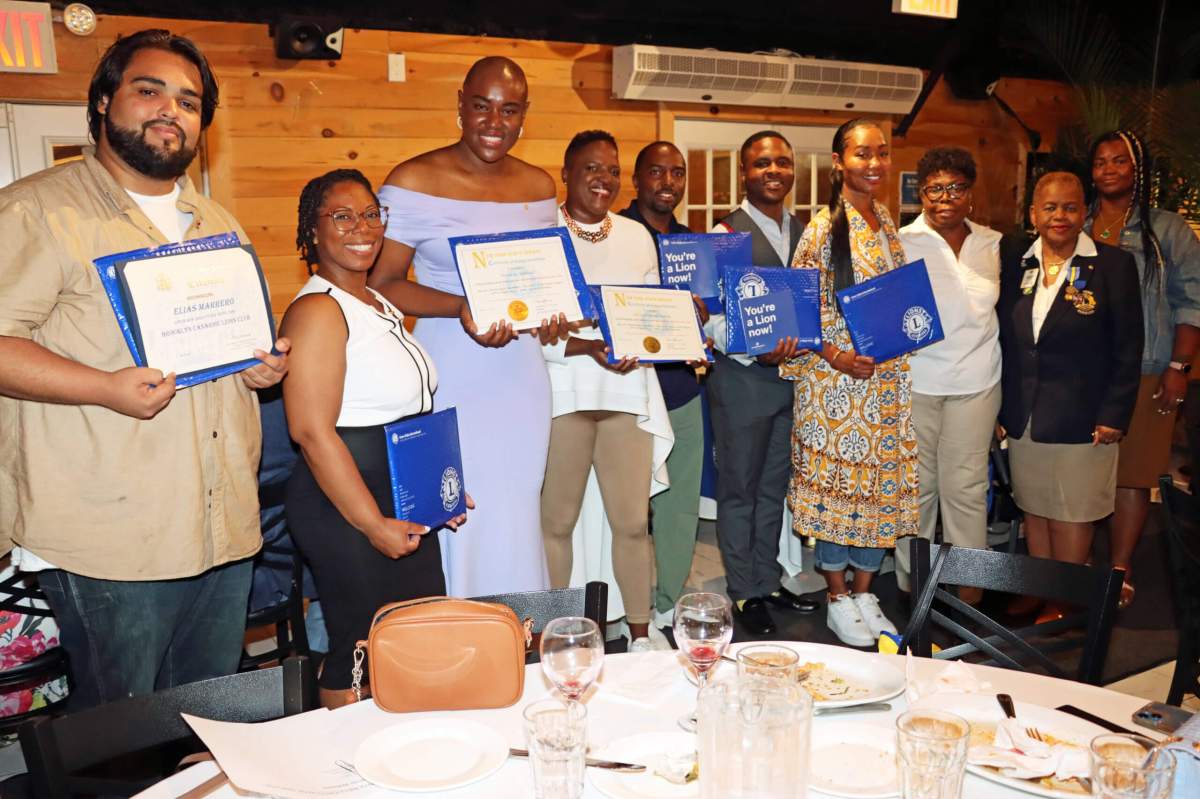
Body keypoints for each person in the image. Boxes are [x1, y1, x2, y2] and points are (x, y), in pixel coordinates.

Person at [0, 30, 289, 710]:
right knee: (122, 741)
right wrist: (104, 387)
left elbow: (237, 347)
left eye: (188, 101)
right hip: (113, 540)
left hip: (220, 527)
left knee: (209, 724)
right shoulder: (37, 211)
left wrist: (261, 369)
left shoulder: (216, 221)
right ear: (103, 102)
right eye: (148, 90)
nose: (170, 110)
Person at [370, 57, 568, 597]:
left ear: (524, 115)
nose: (493, 122)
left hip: (520, 375)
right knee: (457, 503)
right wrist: (462, 306)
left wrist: (551, 313)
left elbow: (541, 282)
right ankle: (456, 634)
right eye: (481, 106)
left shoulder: (538, 185)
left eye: (509, 110)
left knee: (516, 504)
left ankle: (519, 633)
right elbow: (382, 282)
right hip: (450, 366)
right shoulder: (412, 181)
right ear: (460, 104)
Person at [282, 169, 467, 707]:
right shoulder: (318, 310)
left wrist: (441, 492)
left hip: (397, 496)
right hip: (344, 503)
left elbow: (408, 414)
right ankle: (343, 774)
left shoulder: (378, 303)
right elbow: (312, 433)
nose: (360, 227)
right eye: (341, 216)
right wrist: (371, 523)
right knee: (359, 648)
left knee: (412, 638)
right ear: (312, 232)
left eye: (370, 214)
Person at [782, 118, 913, 648]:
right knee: (838, 494)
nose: (875, 163)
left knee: (876, 490)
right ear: (839, 162)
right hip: (835, 387)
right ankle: (836, 595)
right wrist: (835, 355)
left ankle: (865, 592)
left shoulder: (885, 220)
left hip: (883, 384)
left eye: (881, 153)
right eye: (862, 154)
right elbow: (798, 308)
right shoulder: (820, 229)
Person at [540, 131, 672, 651]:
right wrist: (583, 347)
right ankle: (553, 635)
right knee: (556, 523)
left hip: (624, 396)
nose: (604, 179)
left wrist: (658, 337)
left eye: (612, 170)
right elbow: (527, 327)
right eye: (591, 168)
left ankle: (640, 635)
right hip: (564, 394)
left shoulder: (637, 236)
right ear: (566, 173)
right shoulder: (541, 231)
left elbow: (650, 316)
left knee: (633, 522)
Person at [996, 171, 1143, 576]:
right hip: (1025, 418)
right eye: (1050, 207)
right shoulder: (1016, 264)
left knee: (1072, 514)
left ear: (1084, 212)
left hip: (1084, 420)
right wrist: (1000, 409)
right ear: (1033, 214)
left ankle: (1072, 609)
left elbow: (1129, 346)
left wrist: (1114, 414)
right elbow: (1006, 341)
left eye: (1070, 207)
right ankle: (1047, 597)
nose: (1059, 215)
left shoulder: (1113, 265)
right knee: (1036, 512)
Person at [707, 130, 817, 638]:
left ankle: (769, 580)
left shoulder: (805, 231)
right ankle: (743, 589)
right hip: (744, 380)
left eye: (782, 162)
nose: (773, 171)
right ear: (744, 174)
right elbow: (708, 317)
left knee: (774, 487)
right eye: (761, 164)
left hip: (793, 382)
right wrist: (754, 346)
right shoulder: (724, 232)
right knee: (739, 490)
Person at [1086, 130, 1200, 608]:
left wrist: (1179, 366)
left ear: (1137, 170)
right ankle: (1082, 568)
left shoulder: (1168, 230)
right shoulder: (1078, 221)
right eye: (1101, 162)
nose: (1109, 169)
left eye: (1120, 161)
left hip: (1148, 369)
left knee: (1132, 476)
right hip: (1083, 372)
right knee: (1085, 475)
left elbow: (1191, 302)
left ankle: (1120, 566)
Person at [894, 147, 1002, 601]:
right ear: (922, 194)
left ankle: (971, 590)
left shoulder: (994, 243)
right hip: (918, 382)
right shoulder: (899, 242)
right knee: (917, 490)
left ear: (970, 195)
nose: (945, 197)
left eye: (955, 187)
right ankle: (912, 589)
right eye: (935, 188)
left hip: (977, 382)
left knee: (967, 489)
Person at [619, 141, 707, 629]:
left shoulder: (693, 246)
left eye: (677, 173)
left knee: (678, 508)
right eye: (657, 172)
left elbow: (710, 318)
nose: (667, 182)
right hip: (627, 391)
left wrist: (702, 312)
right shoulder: (616, 235)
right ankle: (624, 606)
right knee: (628, 509)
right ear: (637, 179)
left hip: (681, 388)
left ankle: (669, 600)